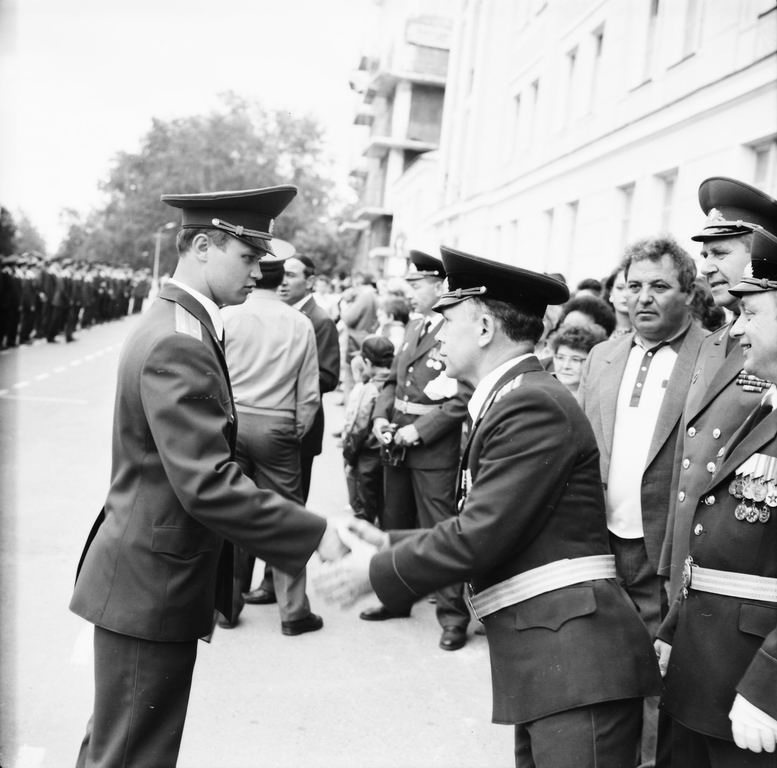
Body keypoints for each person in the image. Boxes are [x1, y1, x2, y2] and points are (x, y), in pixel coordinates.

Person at [316, 246, 661, 767]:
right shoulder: (516, 397)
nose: (438, 335)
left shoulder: (530, 403)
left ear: (482, 328)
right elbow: (485, 522)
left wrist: (377, 570)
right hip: (551, 660)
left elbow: (481, 533)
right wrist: (388, 541)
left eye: (447, 320)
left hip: (576, 664)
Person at [70, 186, 345, 768]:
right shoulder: (180, 340)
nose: (259, 272)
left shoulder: (182, 322)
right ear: (201, 247)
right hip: (152, 585)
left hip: (149, 578)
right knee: (131, 755)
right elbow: (208, 482)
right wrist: (314, 533)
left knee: (116, 749)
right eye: (247, 257)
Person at [579, 235, 706, 768]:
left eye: (659, 286)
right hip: (603, 545)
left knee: (662, 683)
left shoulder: (719, 356)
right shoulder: (603, 355)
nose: (643, 298)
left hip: (668, 553)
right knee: (605, 677)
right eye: (634, 286)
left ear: (689, 293)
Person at [655, 226, 777, 765]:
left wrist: (769, 686)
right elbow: (716, 541)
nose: (739, 328)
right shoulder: (766, 410)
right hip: (705, 666)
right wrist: (674, 626)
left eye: (752, 314)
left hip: (751, 683)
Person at [659, 177, 777, 603]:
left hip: (741, 577)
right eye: (704, 254)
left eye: (721, 253)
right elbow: (686, 462)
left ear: (760, 254)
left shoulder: (768, 347)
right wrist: (670, 564)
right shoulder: (711, 343)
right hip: (691, 564)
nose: (706, 267)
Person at [361, 249, 472, 653]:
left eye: (417, 284)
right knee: (395, 522)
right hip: (396, 441)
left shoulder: (455, 328)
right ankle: (396, 598)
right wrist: (379, 417)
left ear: (440, 285)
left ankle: (453, 616)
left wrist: (419, 432)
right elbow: (392, 380)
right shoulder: (414, 325)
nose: (409, 292)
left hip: (432, 448)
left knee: (439, 531)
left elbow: (463, 397)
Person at [221, 255, 322, 635]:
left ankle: (226, 605)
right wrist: (295, 429)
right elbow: (309, 392)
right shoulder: (299, 322)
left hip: (234, 420)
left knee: (233, 512)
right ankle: (293, 612)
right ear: (281, 282)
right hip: (277, 424)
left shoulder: (228, 317)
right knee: (286, 518)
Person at [242, 253, 341, 608]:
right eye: (283, 276)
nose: (285, 282)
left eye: (294, 276)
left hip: (290, 430)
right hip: (282, 427)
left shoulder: (319, 320)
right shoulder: (288, 318)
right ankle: (247, 590)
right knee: (253, 509)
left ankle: (269, 586)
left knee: (280, 513)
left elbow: (327, 377)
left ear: (310, 281)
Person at [341, 335, 395, 528]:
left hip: (368, 457)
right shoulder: (396, 385)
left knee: (364, 510)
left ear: (368, 363)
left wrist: (349, 455)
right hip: (390, 453)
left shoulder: (369, 389)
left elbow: (359, 427)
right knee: (386, 507)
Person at [550, 324, 607, 400]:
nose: (566, 366)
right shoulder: (540, 390)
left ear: (593, 361)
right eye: (560, 358)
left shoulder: (603, 397)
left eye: (575, 359)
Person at [603, 266, 633, 337]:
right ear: (611, 292)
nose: (625, 294)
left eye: (632, 287)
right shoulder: (599, 330)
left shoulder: (653, 333)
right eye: (620, 288)